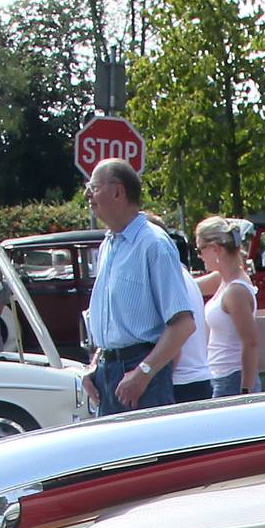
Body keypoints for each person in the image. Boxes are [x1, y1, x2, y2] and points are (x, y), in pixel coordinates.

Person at [80, 158, 201, 413]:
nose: (87, 194)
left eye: (94, 187)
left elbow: (183, 324)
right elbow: (116, 325)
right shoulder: (108, 245)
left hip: (142, 374)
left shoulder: (153, 244)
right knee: (113, 453)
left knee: (149, 452)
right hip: (109, 374)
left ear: (117, 191)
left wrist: (144, 372)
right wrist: (95, 366)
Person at [189, 216, 265, 399]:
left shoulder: (235, 291)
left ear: (215, 249)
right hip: (221, 375)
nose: (199, 256)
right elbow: (188, 287)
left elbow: (251, 343)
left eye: (200, 250)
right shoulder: (223, 279)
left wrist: (246, 390)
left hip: (232, 379)